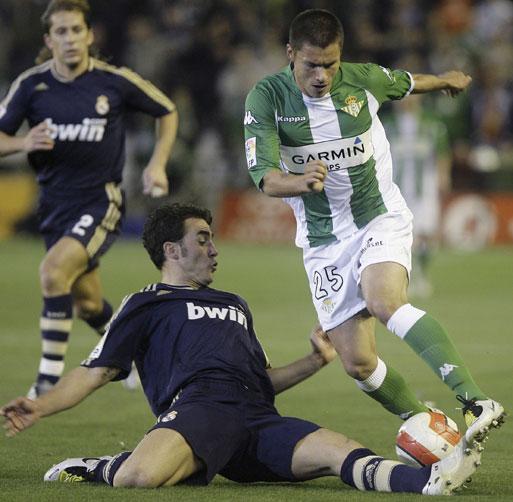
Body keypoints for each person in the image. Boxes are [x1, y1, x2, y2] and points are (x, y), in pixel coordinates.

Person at [1, 203, 483, 496]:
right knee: (139, 478)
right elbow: (95, 371)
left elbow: (262, 379)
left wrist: (314, 360)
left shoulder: (234, 304)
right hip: (199, 410)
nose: (214, 249)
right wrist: (40, 406)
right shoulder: (147, 303)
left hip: (256, 417)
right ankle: (102, 466)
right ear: (171, 250)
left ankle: (429, 482)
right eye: (202, 240)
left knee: (341, 451)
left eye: (212, 240)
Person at [243, 8, 504, 443]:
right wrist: (299, 181)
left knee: (384, 301)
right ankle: (429, 427)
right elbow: (265, 176)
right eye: (311, 65)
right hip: (323, 239)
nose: (322, 76)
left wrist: (443, 80)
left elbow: (407, 82)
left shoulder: (362, 79)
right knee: (358, 362)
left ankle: (475, 400)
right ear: (291, 54)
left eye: (330, 64)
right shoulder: (266, 98)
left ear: (340, 56)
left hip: (377, 216)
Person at [0, 0, 177, 397]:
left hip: (100, 201)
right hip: (53, 207)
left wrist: (157, 164)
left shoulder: (113, 81)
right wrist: (23, 142)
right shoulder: (31, 85)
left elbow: (166, 110)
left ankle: (47, 382)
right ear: (49, 40)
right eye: (61, 32)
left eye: (76, 30)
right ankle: (134, 357)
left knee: (52, 272)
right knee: (87, 303)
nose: (70, 38)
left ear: (89, 35)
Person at [383, 93, 451, 297]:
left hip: (425, 187)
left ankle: (422, 274)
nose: (407, 100)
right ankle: (406, 276)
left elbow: (442, 152)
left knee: (425, 233)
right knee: (398, 234)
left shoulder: (432, 123)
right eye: (403, 96)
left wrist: (443, 175)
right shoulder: (386, 123)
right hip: (395, 187)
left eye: (412, 95)